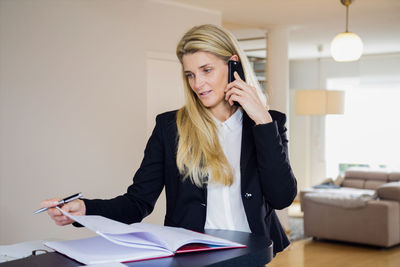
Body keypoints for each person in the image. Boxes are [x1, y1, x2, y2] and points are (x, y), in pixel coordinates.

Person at [40, 24, 297, 255]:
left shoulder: (269, 122)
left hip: (254, 256)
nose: (198, 84)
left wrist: (263, 122)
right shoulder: (170, 127)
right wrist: (84, 209)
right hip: (194, 257)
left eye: (206, 70)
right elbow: (137, 202)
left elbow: (281, 198)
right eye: (190, 74)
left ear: (233, 65)